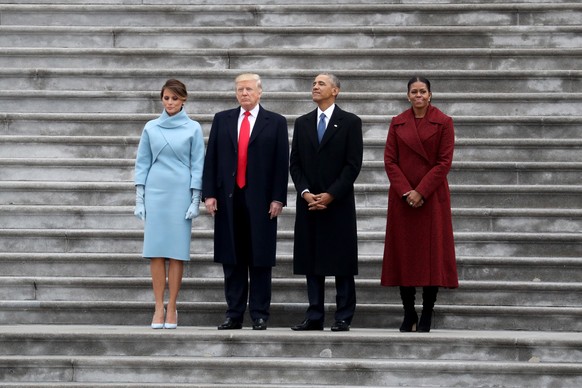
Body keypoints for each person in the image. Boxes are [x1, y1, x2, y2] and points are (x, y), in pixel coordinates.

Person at [202, 73, 289, 331]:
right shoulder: (223, 119)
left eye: (249, 89)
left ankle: (260, 313)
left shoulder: (275, 122)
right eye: (240, 89)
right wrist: (209, 194)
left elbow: (280, 164)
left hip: (261, 201)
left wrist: (278, 198)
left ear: (260, 92)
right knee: (233, 259)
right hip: (229, 199)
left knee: (259, 259)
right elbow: (212, 158)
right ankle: (234, 313)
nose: (244, 94)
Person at [381, 76, 458, 333]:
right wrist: (406, 191)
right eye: (414, 92)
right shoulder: (397, 122)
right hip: (403, 199)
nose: (418, 96)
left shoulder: (444, 122)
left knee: (431, 256)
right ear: (407, 96)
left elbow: (443, 162)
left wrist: (421, 191)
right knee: (405, 254)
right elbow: (390, 160)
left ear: (430, 94)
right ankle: (408, 312)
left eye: (422, 91)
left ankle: (427, 311)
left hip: (431, 197)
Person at [289, 73, 363, 332]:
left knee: (341, 261)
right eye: (314, 84)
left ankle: (343, 315)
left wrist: (331, 194)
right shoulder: (303, 122)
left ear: (336, 90)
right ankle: (315, 315)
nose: (315, 87)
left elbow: (353, 165)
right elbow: (295, 163)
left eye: (321, 83)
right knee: (312, 260)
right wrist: (305, 192)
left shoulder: (350, 122)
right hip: (309, 203)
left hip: (338, 202)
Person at [134, 79, 205, 329]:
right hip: (156, 191)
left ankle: (172, 307)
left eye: (175, 98)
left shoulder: (193, 128)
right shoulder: (151, 127)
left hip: (180, 193)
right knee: (155, 252)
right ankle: (157, 307)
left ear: (183, 99)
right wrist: (139, 197)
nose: (170, 102)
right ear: (161, 99)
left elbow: (198, 163)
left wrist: (196, 198)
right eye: (166, 98)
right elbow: (142, 162)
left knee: (176, 253)